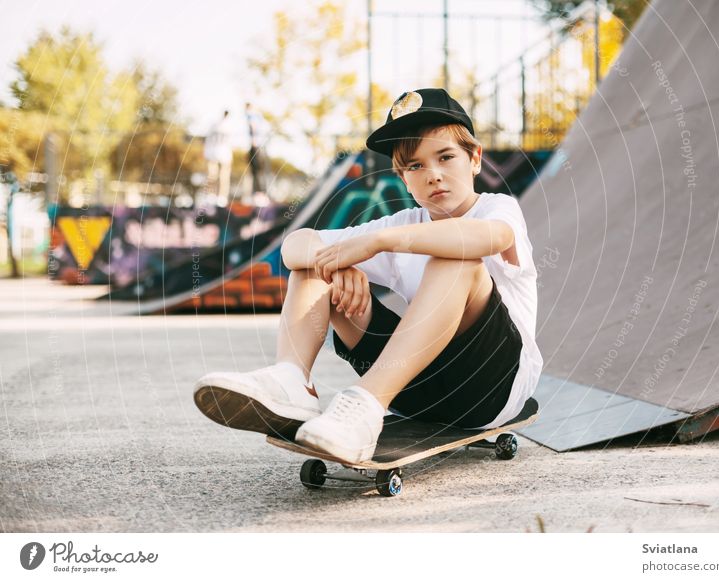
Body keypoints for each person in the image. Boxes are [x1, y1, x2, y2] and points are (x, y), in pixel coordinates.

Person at [194, 88, 543, 464]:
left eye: (446, 157)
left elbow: (490, 238)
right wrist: (341, 265)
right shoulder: (405, 221)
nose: (434, 175)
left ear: (474, 159)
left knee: (457, 256)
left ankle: (365, 405)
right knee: (318, 266)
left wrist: (376, 242)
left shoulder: (496, 209)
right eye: (415, 166)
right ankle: (293, 382)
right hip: (417, 390)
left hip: (492, 389)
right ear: (403, 178)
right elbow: (294, 246)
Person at [204, 110, 233, 205]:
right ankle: (211, 195)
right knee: (212, 175)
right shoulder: (214, 125)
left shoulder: (230, 126)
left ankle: (222, 197)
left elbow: (231, 143)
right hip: (213, 153)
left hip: (225, 154)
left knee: (224, 176)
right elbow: (208, 140)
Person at [245, 102, 265, 199]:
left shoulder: (252, 116)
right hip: (257, 145)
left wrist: (253, 140)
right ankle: (257, 192)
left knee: (256, 170)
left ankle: (259, 193)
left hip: (255, 145)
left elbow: (253, 128)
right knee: (255, 171)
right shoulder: (257, 116)